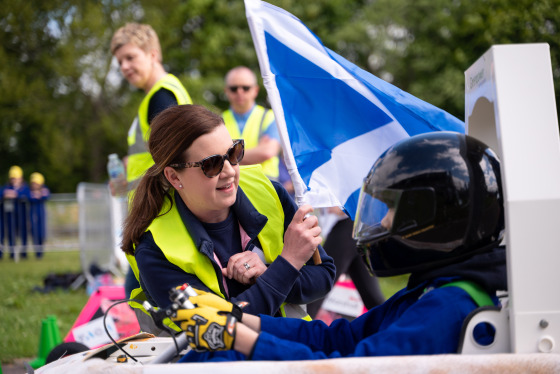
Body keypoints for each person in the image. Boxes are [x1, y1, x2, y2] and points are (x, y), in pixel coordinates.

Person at [171, 131, 507, 361]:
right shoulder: (438, 290)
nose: (384, 224)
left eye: (391, 211)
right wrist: (239, 320)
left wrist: (238, 338)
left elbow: (353, 367)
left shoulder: (449, 305)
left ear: (438, 218)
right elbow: (339, 339)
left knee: (222, 355)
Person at [120, 104, 335, 328]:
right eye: (211, 164)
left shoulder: (268, 192)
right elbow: (221, 329)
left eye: (233, 153)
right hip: (223, 362)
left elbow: (324, 275)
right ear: (174, 177)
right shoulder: (156, 247)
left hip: (294, 349)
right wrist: (287, 263)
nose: (230, 170)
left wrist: (267, 271)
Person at [110, 22, 193, 297]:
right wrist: (129, 172)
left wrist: (133, 187)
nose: (124, 66)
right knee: (141, 292)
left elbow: (171, 155)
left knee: (141, 294)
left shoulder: (161, 97)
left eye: (130, 57)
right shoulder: (163, 93)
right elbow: (152, 155)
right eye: (120, 61)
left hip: (159, 211)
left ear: (153, 54)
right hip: (156, 209)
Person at [306, 206, 385, 320]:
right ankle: (395, 328)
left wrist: (346, 208)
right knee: (372, 298)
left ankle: (295, 332)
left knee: (317, 290)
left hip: (346, 225)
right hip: (353, 227)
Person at [222, 66, 282, 181]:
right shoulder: (218, 120)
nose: (240, 92)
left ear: (255, 90)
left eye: (245, 88)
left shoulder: (270, 117)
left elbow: (267, 152)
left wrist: (227, 156)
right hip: (230, 187)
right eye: (234, 88)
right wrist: (256, 152)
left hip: (265, 186)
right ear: (226, 91)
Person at [2, 166, 30, 260]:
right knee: (11, 234)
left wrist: (16, 194)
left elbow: (27, 195)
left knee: (23, 234)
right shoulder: (6, 187)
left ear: (21, 178)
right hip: (10, 216)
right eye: (12, 178)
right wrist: (8, 193)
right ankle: (12, 254)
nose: (14, 180)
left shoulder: (25, 187)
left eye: (16, 178)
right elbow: (2, 192)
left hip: (22, 215)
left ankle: (24, 254)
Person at [29, 172, 50, 259]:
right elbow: (29, 196)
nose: (35, 185)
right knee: (34, 234)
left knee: (42, 234)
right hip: (32, 216)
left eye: (36, 183)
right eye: (33, 183)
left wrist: (39, 195)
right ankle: (37, 254)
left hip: (41, 216)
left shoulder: (45, 189)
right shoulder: (28, 190)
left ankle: (40, 253)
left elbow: (47, 195)